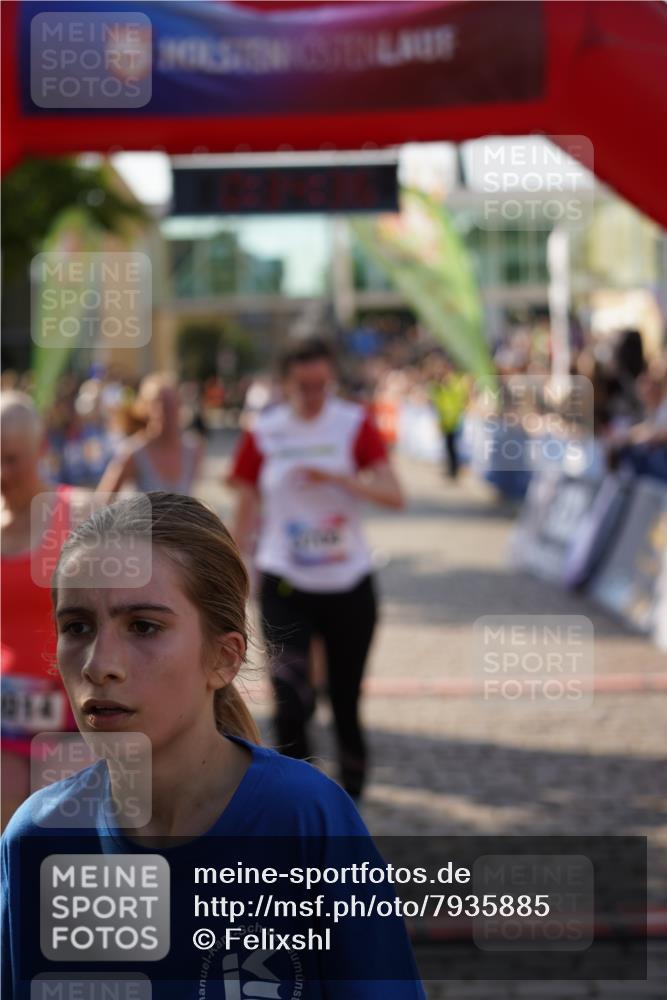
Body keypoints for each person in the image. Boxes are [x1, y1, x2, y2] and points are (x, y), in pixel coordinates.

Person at [1, 492, 426, 999]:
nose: (99, 662)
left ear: (223, 658)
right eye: (77, 627)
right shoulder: (38, 838)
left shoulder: (307, 821)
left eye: (143, 626)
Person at [229, 338, 404, 801]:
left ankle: (352, 801)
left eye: (321, 385)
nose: (313, 395)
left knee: (345, 700)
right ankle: (297, 802)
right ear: (285, 384)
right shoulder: (265, 430)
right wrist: (232, 568)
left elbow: (395, 494)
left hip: (348, 582)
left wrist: (341, 479)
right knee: (290, 701)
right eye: (303, 386)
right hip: (285, 581)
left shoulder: (352, 423)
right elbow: (245, 506)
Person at [0, 392, 82, 828]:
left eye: (12, 459)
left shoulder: (79, 514)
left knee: (65, 841)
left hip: (74, 710)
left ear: (40, 450)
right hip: (6, 711)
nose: (2, 473)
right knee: (9, 841)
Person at [97, 372, 204, 495]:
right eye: (159, 403)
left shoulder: (193, 449)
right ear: (145, 408)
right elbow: (102, 501)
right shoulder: (132, 452)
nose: (167, 410)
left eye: (172, 403)